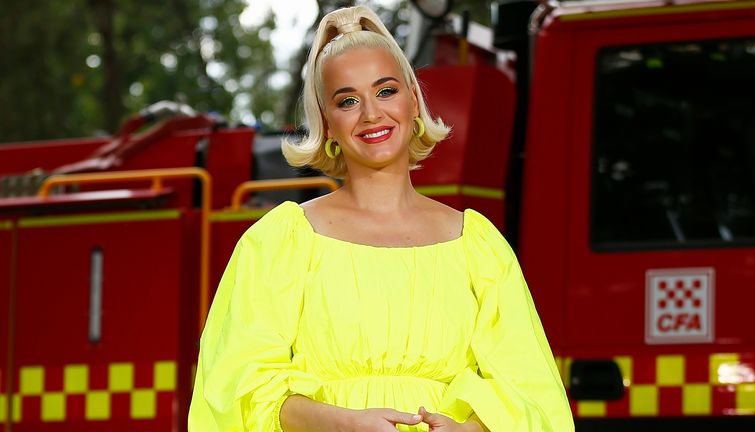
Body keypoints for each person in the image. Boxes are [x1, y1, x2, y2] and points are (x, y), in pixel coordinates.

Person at [188, 5, 574, 432]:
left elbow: (532, 392)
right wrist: (345, 425)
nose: (372, 114)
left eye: (386, 91)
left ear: (413, 98)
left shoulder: (477, 244)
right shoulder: (280, 241)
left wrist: (470, 429)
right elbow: (238, 391)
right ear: (328, 122)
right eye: (347, 100)